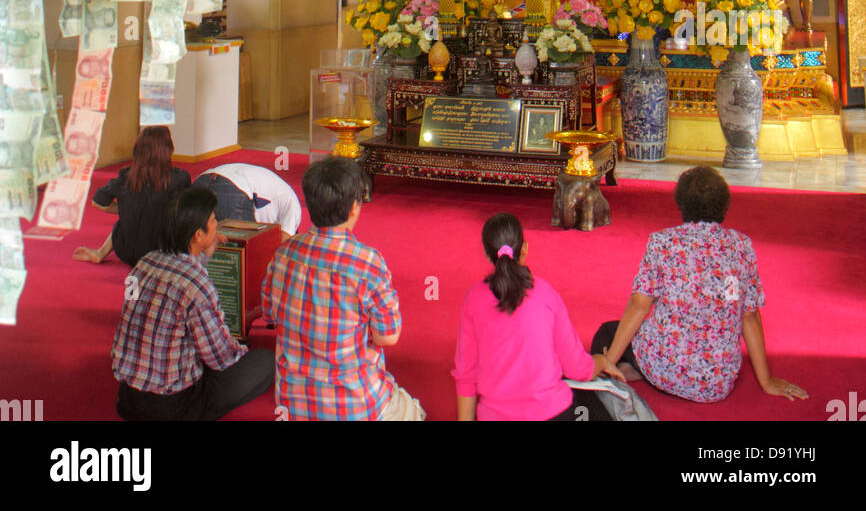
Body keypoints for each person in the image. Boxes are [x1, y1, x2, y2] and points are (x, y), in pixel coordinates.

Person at [592, 165, 809, 404]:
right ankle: (635, 370)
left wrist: (608, 360)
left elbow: (639, 304)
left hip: (666, 370)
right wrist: (766, 381)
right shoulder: (740, 246)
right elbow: (749, 316)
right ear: (724, 206)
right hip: (717, 384)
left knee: (607, 332)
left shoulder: (664, 243)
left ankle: (623, 370)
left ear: (680, 204)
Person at [262, 156, 424, 421]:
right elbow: (388, 336)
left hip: (293, 404)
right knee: (413, 410)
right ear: (354, 208)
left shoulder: (283, 254)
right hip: (353, 404)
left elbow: (269, 314)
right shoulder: (367, 262)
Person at [111, 186, 274, 421]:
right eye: (214, 220)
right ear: (198, 235)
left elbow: (177, 278)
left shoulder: (144, 263)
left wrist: (204, 252)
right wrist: (244, 353)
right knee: (265, 362)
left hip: (127, 399)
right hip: (172, 407)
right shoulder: (196, 285)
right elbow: (221, 358)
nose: (217, 225)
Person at [453, 211, 625, 421]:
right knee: (592, 401)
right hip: (552, 414)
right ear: (524, 248)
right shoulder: (545, 294)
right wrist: (600, 361)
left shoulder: (473, 299)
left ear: (487, 254)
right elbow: (577, 368)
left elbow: (466, 376)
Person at [73, 125, 190, 267]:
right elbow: (186, 213)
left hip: (126, 253)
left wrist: (128, 208)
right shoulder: (180, 178)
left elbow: (97, 202)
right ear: (168, 149)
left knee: (123, 220)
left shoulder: (126, 175)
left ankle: (101, 252)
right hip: (159, 254)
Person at [195, 161, 301, 239]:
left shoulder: (282, 193)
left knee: (195, 239)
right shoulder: (293, 206)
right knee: (240, 253)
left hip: (203, 179)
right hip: (233, 188)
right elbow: (283, 243)